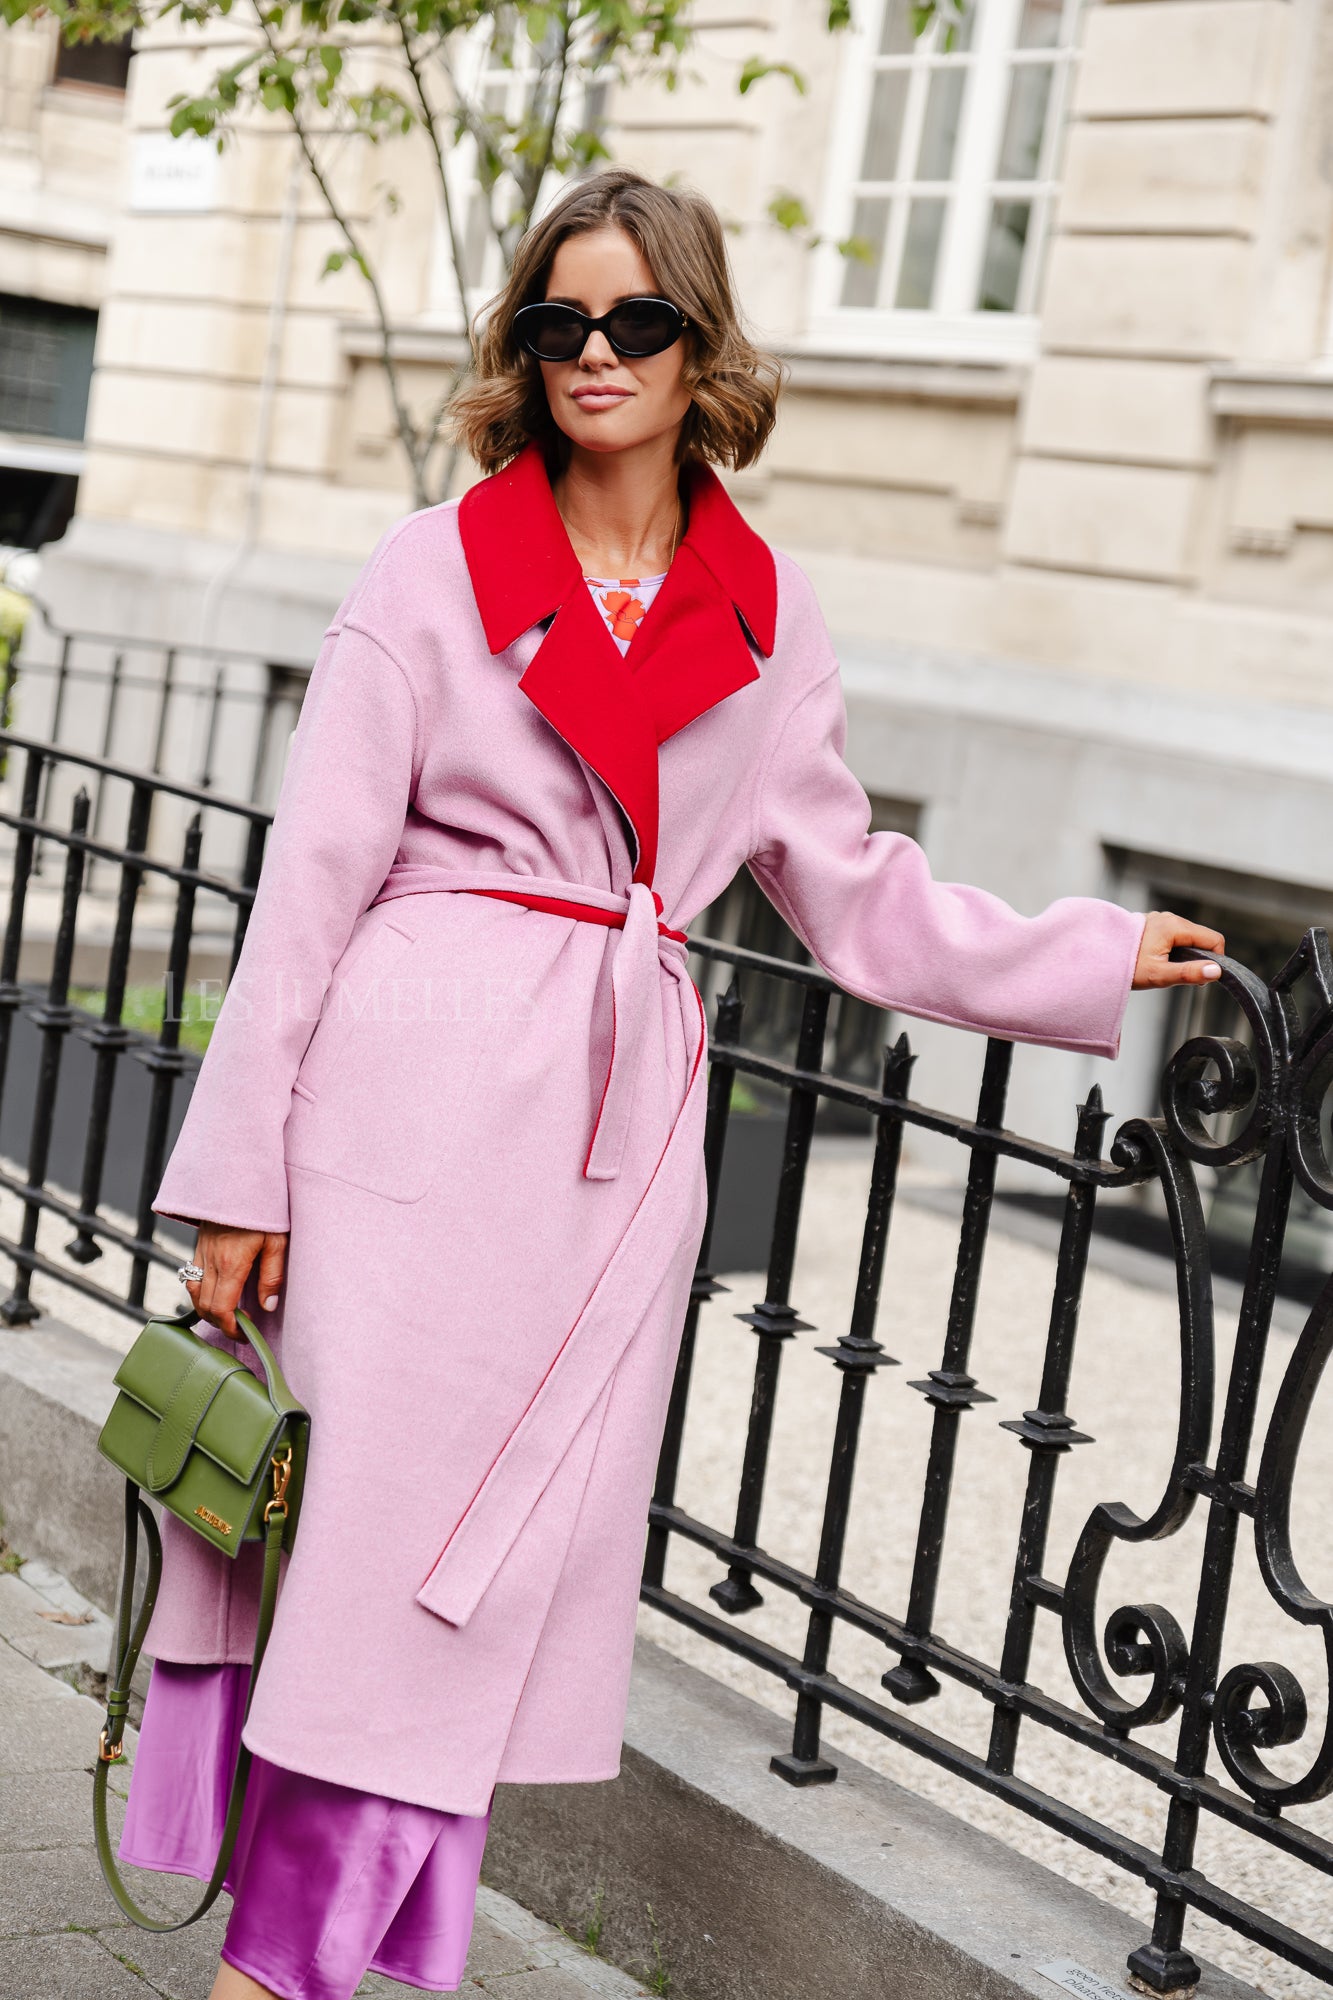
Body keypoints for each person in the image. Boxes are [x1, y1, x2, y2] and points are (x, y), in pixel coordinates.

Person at [118, 165, 1224, 2000]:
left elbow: (856, 900)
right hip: (394, 1130)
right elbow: (307, 885)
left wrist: (1085, 953)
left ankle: (317, 1971)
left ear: (697, 344)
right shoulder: (430, 568)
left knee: (469, 1591)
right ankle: (280, 1976)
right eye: (559, 323)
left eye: (635, 320)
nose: (594, 355)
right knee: (386, 1578)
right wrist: (242, 1178)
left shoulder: (765, 620)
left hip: (597, 1161)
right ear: (522, 347)